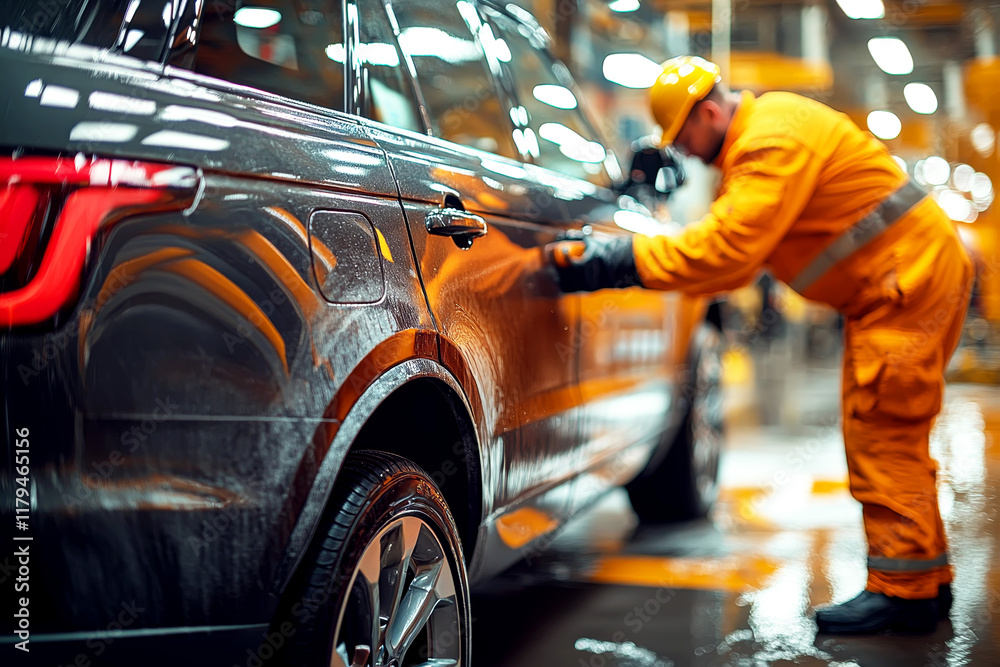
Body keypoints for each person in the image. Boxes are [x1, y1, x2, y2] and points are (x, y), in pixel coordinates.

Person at [550, 56, 973, 634]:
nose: (686, 153)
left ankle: (906, 593)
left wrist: (618, 260)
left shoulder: (770, 141)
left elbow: (725, 253)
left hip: (906, 282)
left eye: (684, 138)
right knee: (889, 428)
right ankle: (924, 580)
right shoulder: (761, 141)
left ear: (709, 112)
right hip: (903, 281)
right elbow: (735, 264)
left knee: (884, 429)